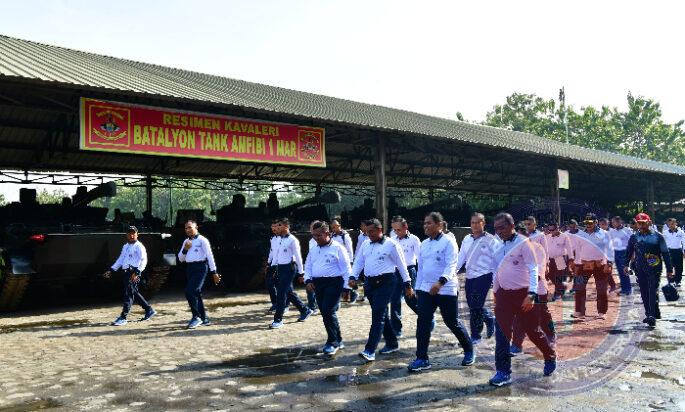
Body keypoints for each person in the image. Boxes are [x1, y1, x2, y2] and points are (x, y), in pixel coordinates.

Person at [489, 213, 556, 387]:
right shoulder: (497, 247)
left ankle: (549, 355)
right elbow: (496, 272)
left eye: (501, 227)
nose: (498, 232)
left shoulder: (523, 244)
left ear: (511, 226)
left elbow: (533, 269)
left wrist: (532, 294)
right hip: (504, 295)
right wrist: (495, 293)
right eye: (495, 229)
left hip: (524, 294)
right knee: (502, 334)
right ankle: (503, 372)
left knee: (532, 330)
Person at [408, 212, 474, 372]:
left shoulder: (448, 242)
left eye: (429, 223)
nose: (425, 226)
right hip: (426, 290)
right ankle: (422, 358)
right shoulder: (424, 244)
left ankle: (469, 350)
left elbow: (452, 265)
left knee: (452, 322)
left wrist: (440, 282)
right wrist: (418, 288)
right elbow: (421, 268)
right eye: (424, 223)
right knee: (423, 322)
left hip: (447, 289)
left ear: (439, 225)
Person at [350, 218, 414, 362]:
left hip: (386, 283)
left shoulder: (392, 245)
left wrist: (408, 284)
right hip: (369, 283)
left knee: (377, 316)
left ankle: (370, 350)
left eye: (371, 231)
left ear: (380, 230)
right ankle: (392, 343)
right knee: (382, 314)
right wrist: (353, 276)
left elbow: (402, 265)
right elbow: (359, 261)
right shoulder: (366, 244)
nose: (369, 234)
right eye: (366, 232)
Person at [304, 221, 352, 355]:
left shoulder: (338, 248)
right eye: (314, 235)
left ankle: (332, 342)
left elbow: (346, 269)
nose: (316, 238)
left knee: (327, 310)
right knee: (326, 312)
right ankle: (339, 339)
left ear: (327, 233)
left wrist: (346, 288)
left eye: (319, 235)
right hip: (318, 284)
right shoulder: (314, 249)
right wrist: (308, 280)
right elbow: (308, 266)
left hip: (334, 283)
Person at [511, 224, 556, 354]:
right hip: (520, 289)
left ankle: (551, 335)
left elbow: (538, 271)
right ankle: (516, 344)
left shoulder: (537, 248)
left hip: (538, 288)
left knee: (543, 315)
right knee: (519, 317)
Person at [455, 212, 498, 344]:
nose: (474, 225)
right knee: (472, 304)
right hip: (469, 276)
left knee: (476, 305)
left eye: (477, 222)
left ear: (483, 223)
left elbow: (497, 260)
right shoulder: (467, 239)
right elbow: (461, 256)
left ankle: (476, 335)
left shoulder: (491, 240)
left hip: (484, 276)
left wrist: (496, 280)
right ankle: (489, 319)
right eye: (472, 222)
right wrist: (453, 271)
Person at [626, 213, 673, 327]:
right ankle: (649, 313)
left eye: (643, 223)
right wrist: (625, 265)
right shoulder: (634, 237)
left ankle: (652, 315)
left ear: (649, 222)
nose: (641, 225)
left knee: (652, 290)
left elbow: (665, 253)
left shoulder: (658, 236)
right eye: (639, 223)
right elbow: (628, 252)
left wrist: (669, 269)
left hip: (655, 268)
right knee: (644, 291)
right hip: (640, 269)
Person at [106, 226, 156, 326]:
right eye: (129, 233)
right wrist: (111, 269)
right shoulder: (126, 246)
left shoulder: (139, 246)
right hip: (126, 272)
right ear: (127, 235)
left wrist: (137, 272)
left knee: (128, 294)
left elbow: (143, 260)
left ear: (137, 234)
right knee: (134, 292)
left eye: (133, 233)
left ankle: (123, 317)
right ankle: (149, 310)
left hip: (133, 272)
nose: (131, 235)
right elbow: (120, 259)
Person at [268, 218, 313, 329]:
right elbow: (276, 254)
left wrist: (301, 273)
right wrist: (272, 267)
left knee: (281, 294)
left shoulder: (292, 240)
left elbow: (298, 257)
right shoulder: (278, 239)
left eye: (279, 225)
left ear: (286, 227)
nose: (276, 228)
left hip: (289, 268)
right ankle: (304, 310)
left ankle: (278, 320)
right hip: (279, 268)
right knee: (288, 292)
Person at [568, 213, 614, 320]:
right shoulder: (580, 235)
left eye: (590, 222)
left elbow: (610, 249)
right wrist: (576, 264)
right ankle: (579, 311)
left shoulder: (605, 234)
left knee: (601, 289)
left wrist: (609, 263)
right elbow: (578, 250)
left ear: (596, 222)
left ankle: (602, 312)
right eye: (586, 222)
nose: (588, 225)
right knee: (579, 287)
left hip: (600, 265)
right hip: (583, 265)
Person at [178, 220, 221, 329]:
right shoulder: (186, 241)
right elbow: (180, 258)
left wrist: (214, 272)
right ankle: (204, 318)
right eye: (186, 228)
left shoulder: (203, 240)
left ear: (196, 227)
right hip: (190, 268)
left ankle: (196, 316)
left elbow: (210, 256)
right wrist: (185, 249)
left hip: (201, 268)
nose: (188, 230)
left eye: (190, 227)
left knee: (189, 291)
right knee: (196, 292)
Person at [389, 216, 421, 337]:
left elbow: (420, 259)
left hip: (410, 270)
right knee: (394, 300)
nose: (397, 232)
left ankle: (427, 316)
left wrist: (421, 275)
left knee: (410, 299)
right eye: (394, 230)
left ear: (405, 227)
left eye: (399, 229)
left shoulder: (414, 239)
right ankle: (396, 329)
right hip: (395, 272)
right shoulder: (392, 240)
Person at [332, 218, 357, 304]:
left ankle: (353, 293)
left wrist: (350, 261)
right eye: (333, 227)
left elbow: (350, 250)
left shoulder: (345, 236)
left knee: (347, 279)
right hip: (336, 261)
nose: (334, 229)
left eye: (335, 227)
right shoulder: (332, 236)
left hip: (346, 260)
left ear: (339, 226)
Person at [545, 222, 573, 300]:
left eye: (552, 229)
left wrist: (571, 259)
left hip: (560, 258)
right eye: (549, 229)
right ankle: (562, 287)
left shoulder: (564, 236)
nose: (551, 231)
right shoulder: (547, 237)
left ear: (557, 228)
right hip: (550, 259)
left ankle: (557, 294)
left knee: (559, 276)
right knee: (550, 275)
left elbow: (569, 248)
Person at [609, 216, 634, 295]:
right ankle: (624, 288)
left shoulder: (627, 230)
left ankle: (627, 289)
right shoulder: (612, 231)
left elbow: (632, 243)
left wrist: (633, 255)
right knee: (620, 272)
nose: (612, 224)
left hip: (624, 252)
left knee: (624, 271)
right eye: (612, 222)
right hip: (616, 252)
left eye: (613, 222)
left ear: (619, 222)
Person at [661, 218, 684, 288]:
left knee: (679, 267)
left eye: (672, 223)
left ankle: (678, 281)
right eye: (669, 224)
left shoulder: (681, 232)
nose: (670, 225)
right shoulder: (665, 232)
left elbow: (684, 241)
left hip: (678, 251)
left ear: (675, 223)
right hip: (669, 251)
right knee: (669, 267)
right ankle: (670, 281)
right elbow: (662, 243)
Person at [265, 220, 279, 313]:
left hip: (281, 264)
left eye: (275, 226)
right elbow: (272, 251)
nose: (273, 228)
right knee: (270, 284)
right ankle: (275, 303)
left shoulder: (283, 238)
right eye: (272, 226)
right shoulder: (273, 238)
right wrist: (268, 263)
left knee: (282, 286)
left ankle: (283, 305)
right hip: (273, 264)